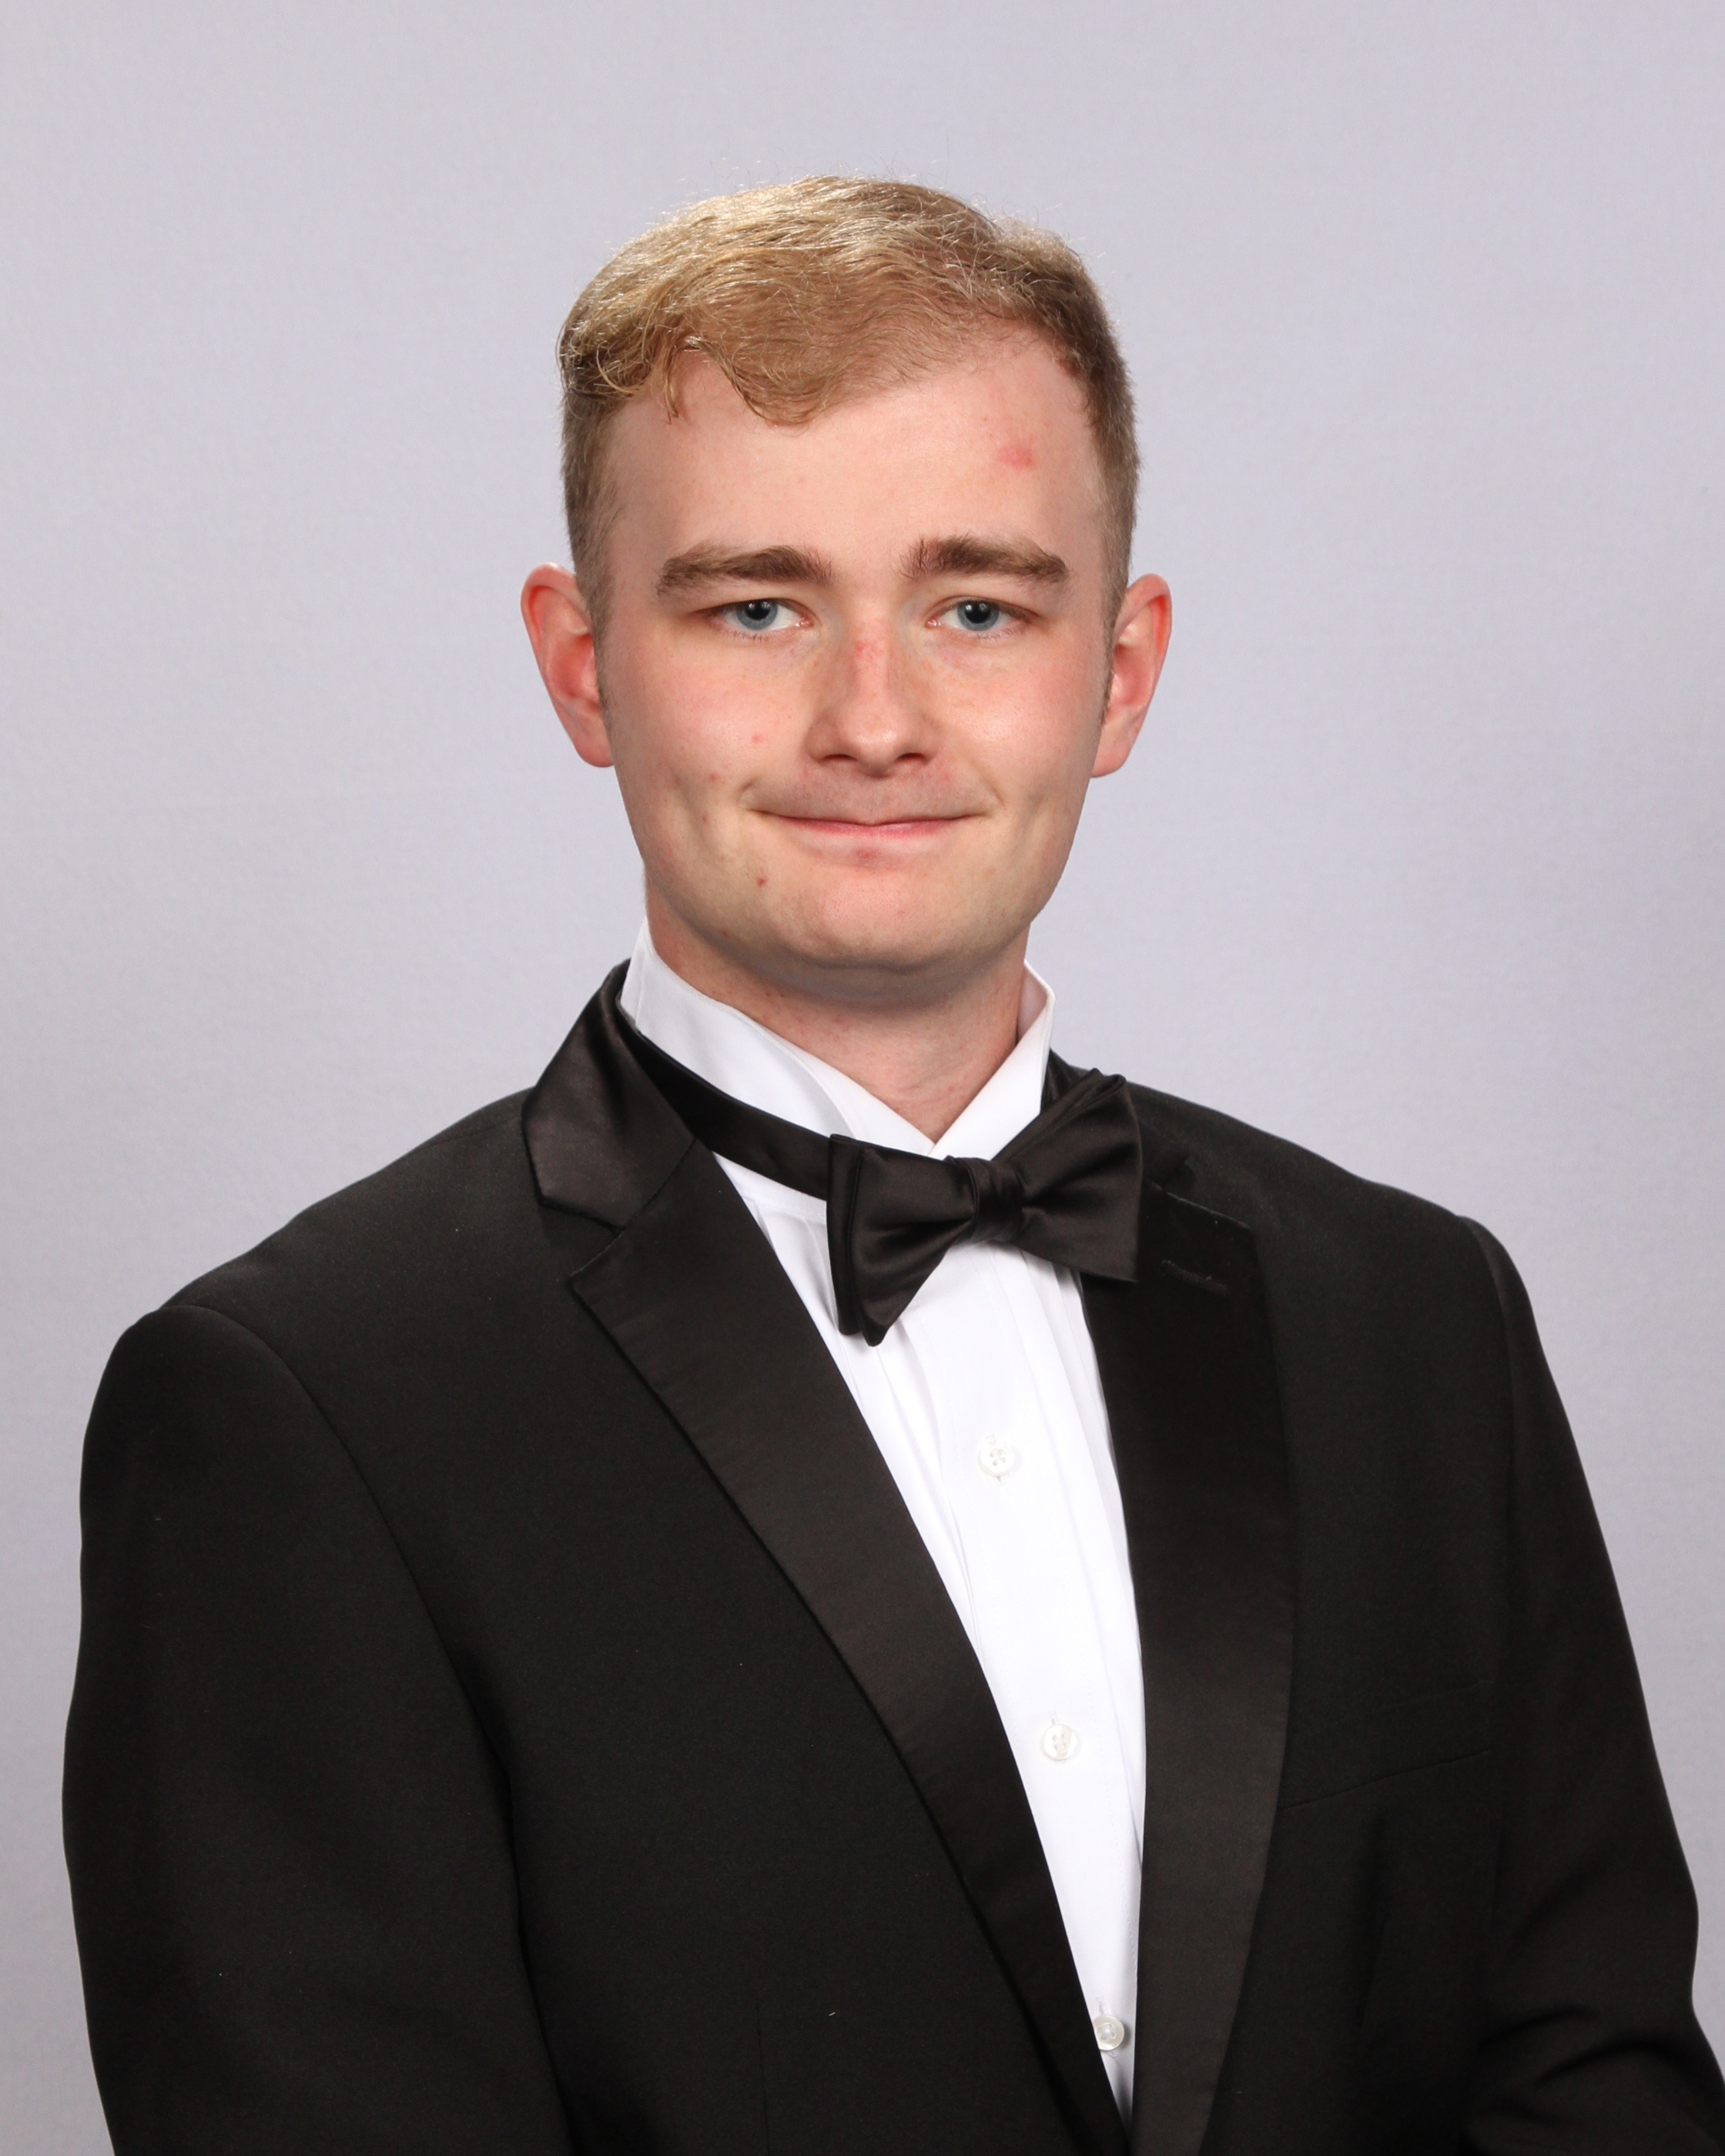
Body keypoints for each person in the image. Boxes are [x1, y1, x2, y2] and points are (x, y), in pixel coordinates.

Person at [63, 176, 1723, 2156]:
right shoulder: (298, 1410)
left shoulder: (1417, 1318)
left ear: (1119, 671)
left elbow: (1594, 2085)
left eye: (978, 607)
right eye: (755, 606)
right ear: (583, 665)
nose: (873, 719)